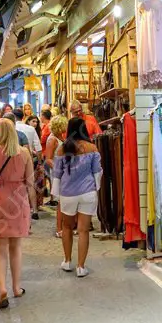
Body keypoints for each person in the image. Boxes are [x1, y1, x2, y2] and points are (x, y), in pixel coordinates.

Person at [0, 119, 35, 309]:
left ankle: (2, 288)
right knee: (16, 247)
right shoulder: (24, 153)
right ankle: (16, 287)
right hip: (19, 200)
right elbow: (30, 182)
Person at [53, 117, 102, 277]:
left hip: (68, 194)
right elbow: (97, 171)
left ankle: (67, 261)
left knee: (67, 227)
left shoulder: (62, 149)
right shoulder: (92, 148)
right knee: (83, 230)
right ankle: (81, 267)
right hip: (87, 193)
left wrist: (55, 193)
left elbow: (57, 173)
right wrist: (97, 189)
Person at [45, 114, 67, 233]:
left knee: (64, 201)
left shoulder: (59, 137)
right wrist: (59, 169)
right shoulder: (52, 139)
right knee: (61, 202)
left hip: (63, 171)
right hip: (59, 173)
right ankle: (59, 229)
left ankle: (64, 227)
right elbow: (48, 159)